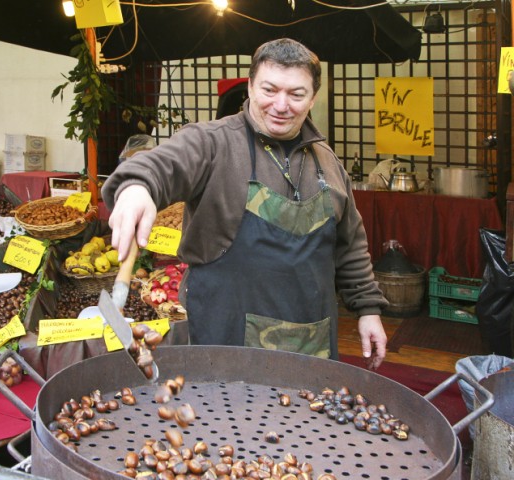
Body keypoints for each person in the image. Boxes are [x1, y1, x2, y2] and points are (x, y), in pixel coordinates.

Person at [102, 38, 388, 370]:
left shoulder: (327, 163)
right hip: (225, 340)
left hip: (312, 342)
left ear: (312, 98)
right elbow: (161, 165)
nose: (281, 105)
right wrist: (138, 188)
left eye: (296, 94)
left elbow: (349, 243)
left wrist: (368, 309)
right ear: (250, 86)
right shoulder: (212, 143)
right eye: (269, 90)